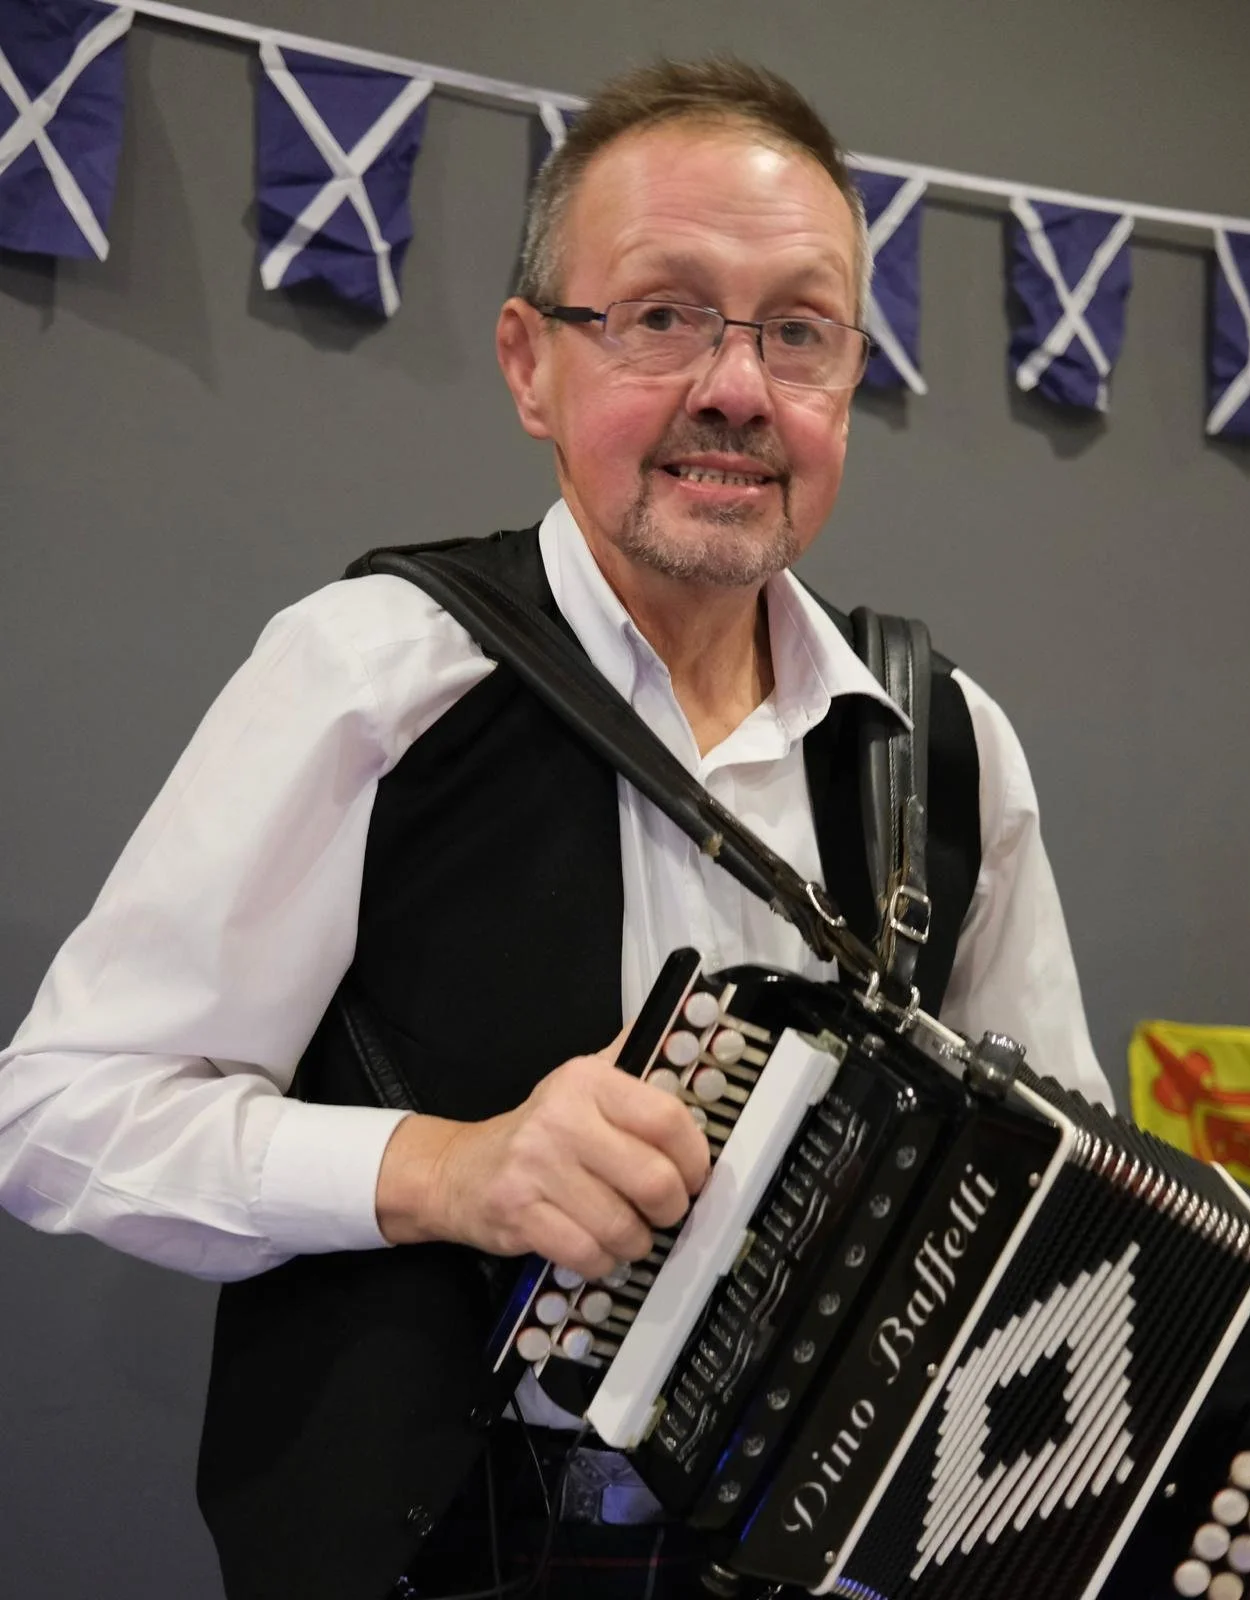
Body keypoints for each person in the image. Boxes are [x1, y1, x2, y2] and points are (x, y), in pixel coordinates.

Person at [0, 56, 1110, 1600]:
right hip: (438, 1562)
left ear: (848, 377)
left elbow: (1059, 1203)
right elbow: (57, 1116)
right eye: (662, 315)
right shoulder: (376, 672)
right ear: (531, 363)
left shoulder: (952, 746)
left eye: (799, 332)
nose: (737, 387)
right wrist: (447, 1171)